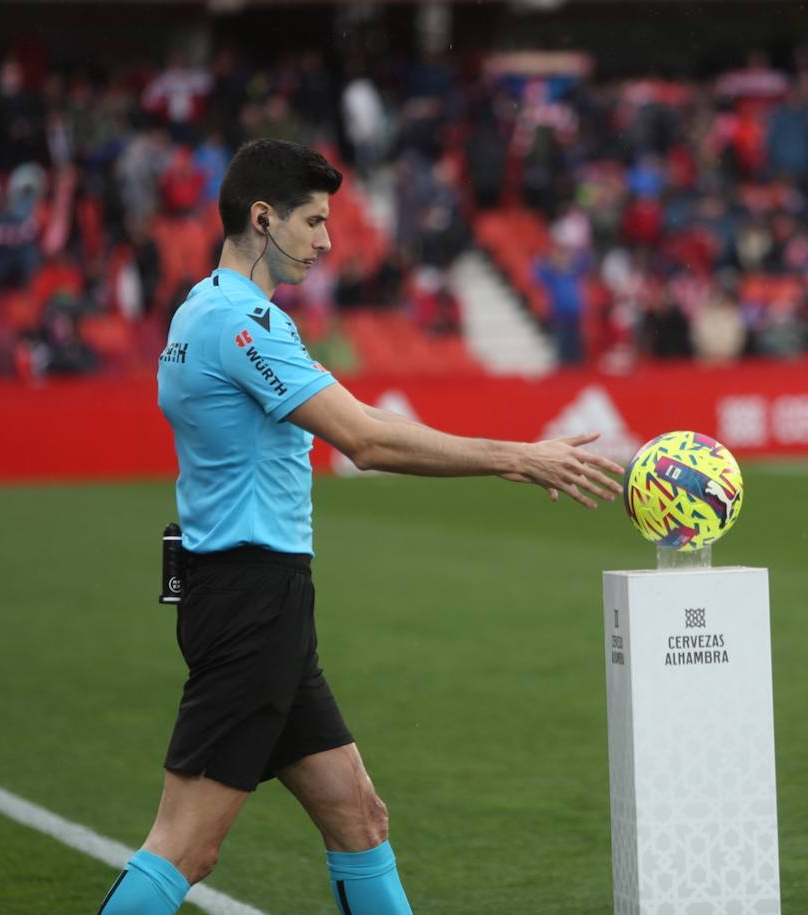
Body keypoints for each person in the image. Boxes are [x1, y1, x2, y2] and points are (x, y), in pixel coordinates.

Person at [99, 139, 624, 914]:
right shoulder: (243, 324)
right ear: (262, 217)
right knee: (186, 844)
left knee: (359, 815)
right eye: (312, 221)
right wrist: (515, 456)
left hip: (254, 596)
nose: (326, 241)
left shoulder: (203, 308)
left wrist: (508, 453)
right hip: (250, 604)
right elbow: (365, 440)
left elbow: (352, 423)